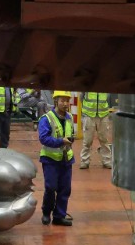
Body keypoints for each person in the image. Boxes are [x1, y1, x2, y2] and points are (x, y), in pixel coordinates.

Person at [38, 92, 78, 226]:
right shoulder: (46, 119)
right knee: (51, 187)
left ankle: (59, 216)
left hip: (66, 159)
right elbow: (43, 138)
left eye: (67, 101)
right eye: (62, 101)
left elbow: (71, 134)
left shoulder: (69, 117)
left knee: (65, 189)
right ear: (56, 101)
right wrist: (61, 141)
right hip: (50, 159)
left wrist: (69, 141)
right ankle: (46, 212)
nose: (65, 104)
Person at [79, 91, 113, 170]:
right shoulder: (87, 84)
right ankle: (85, 161)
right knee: (87, 140)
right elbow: (81, 97)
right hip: (89, 115)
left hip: (103, 114)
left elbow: (108, 97)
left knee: (104, 139)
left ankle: (107, 161)